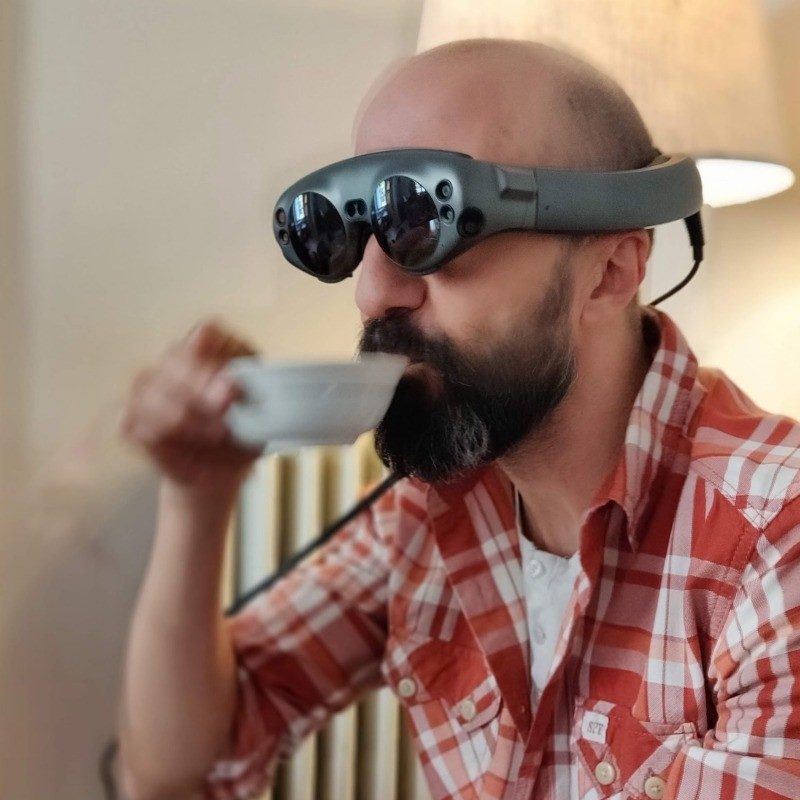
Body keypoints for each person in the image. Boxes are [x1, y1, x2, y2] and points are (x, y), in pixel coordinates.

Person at [115, 38, 800, 800]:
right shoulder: (434, 512)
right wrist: (197, 496)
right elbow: (176, 769)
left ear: (611, 272)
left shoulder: (775, 536)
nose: (372, 294)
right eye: (347, 235)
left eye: (422, 221)